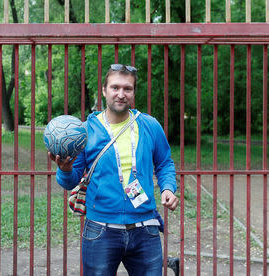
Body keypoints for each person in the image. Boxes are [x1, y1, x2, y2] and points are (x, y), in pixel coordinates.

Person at [49, 64, 178, 276]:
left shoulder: (149, 125)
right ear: (104, 90)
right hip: (100, 230)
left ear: (134, 92)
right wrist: (65, 169)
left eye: (127, 89)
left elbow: (165, 163)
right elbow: (69, 181)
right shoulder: (85, 131)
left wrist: (168, 188)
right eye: (115, 87)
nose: (121, 94)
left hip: (145, 229)